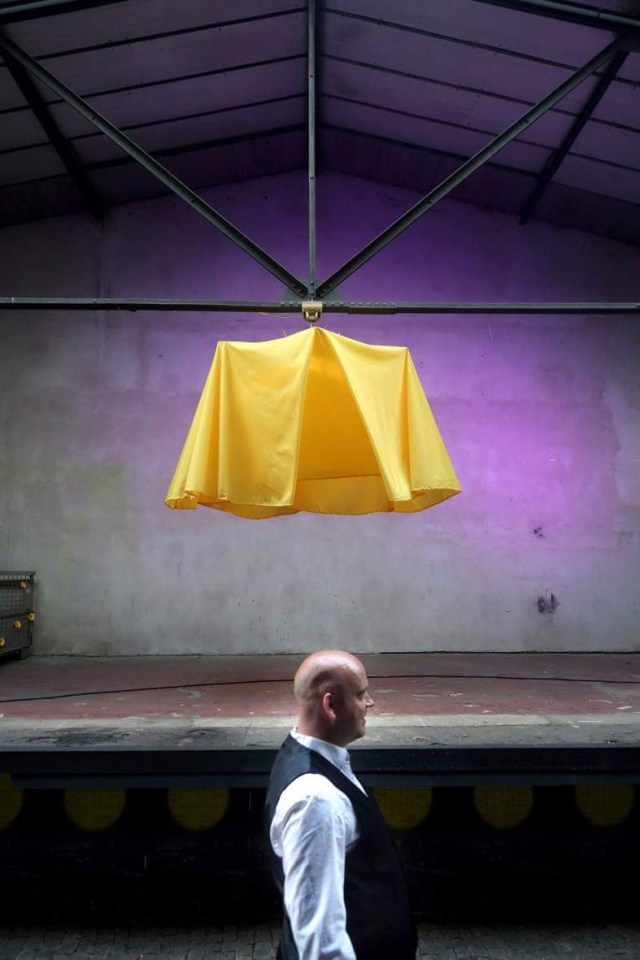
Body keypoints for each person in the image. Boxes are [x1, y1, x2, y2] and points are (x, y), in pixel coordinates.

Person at [265, 650, 417, 960]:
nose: (370, 703)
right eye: (361, 694)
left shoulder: (306, 756)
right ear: (330, 705)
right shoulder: (315, 799)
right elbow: (321, 942)